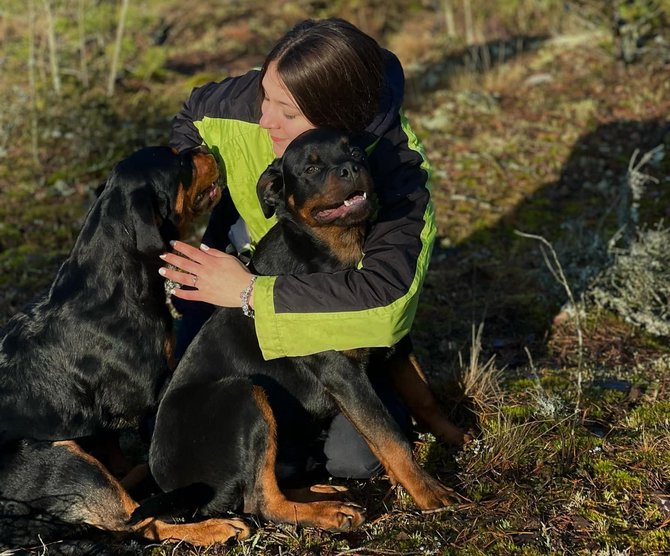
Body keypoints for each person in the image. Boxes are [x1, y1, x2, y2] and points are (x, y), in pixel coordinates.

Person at [158, 18, 463, 481]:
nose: (265, 120)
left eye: (289, 112)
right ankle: (280, 453)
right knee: (169, 405)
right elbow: (189, 125)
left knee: (353, 461)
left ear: (339, 122)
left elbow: (385, 304)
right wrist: (185, 211)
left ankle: (319, 439)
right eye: (266, 96)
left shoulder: (398, 168)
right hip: (231, 285)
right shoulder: (234, 106)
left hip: (333, 315)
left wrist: (250, 293)